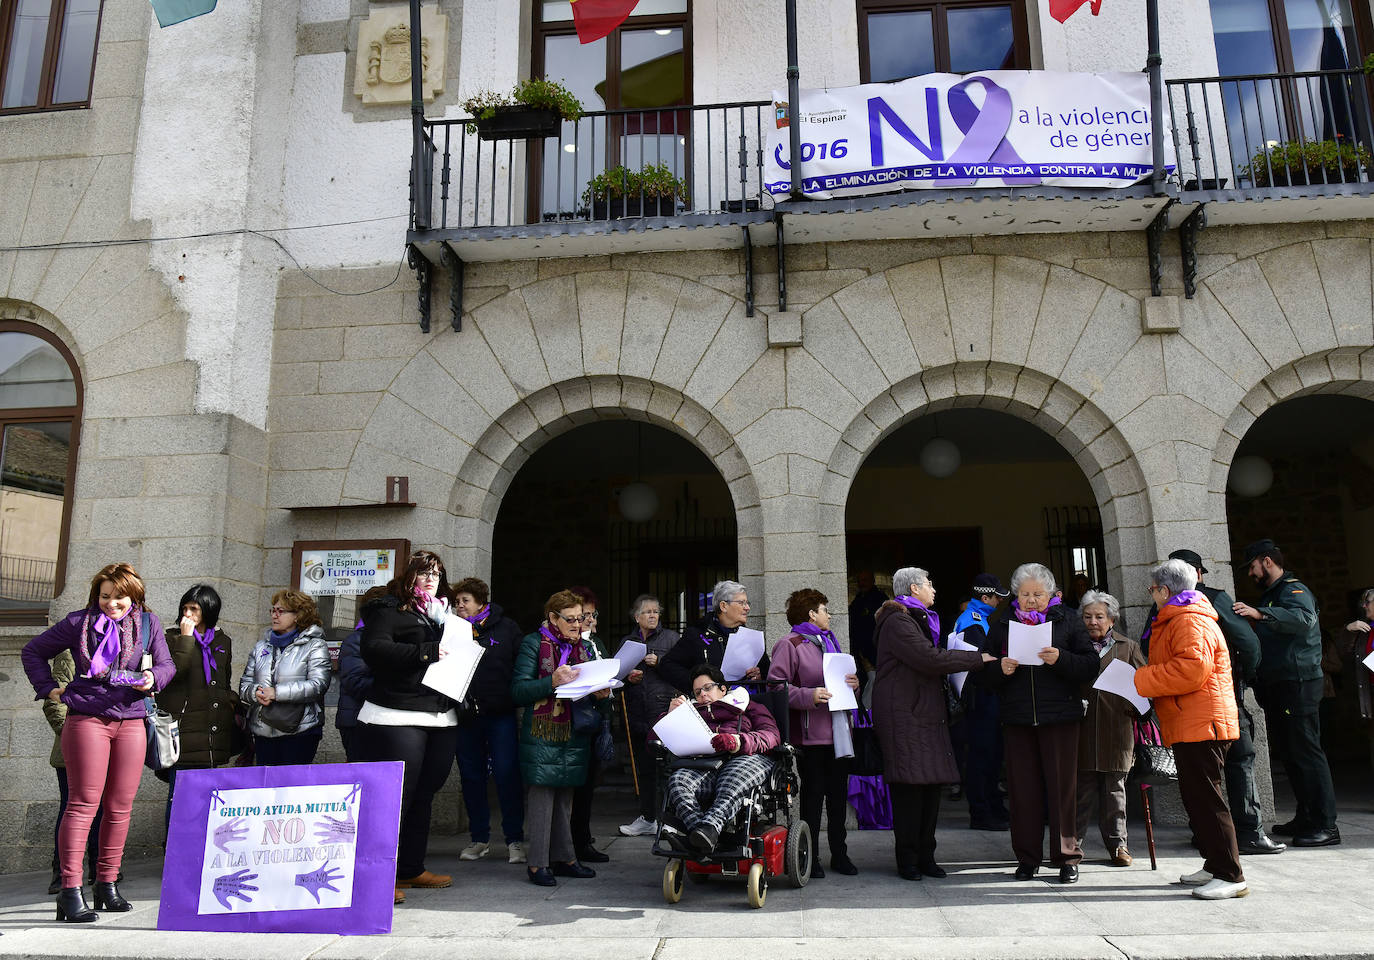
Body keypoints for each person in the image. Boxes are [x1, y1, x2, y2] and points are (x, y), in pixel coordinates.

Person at [22, 562, 174, 922]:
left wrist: (151, 676)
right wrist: (49, 690)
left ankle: (107, 885)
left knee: (120, 807)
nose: (112, 603)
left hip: (132, 719)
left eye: (120, 597)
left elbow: (168, 666)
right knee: (83, 804)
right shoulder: (78, 623)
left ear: (134, 596)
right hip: (87, 718)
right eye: (105, 596)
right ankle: (70, 891)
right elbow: (32, 651)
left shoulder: (149, 625)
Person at [976, 562, 1096, 884]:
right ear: (1016, 595)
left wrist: (1061, 660)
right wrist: (1000, 669)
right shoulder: (1001, 624)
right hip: (1017, 720)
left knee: (1062, 790)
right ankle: (1027, 859)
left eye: (1037, 595)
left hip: (1060, 718)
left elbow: (1089, 666)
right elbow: (982, 672)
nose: (1031, 600)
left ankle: (1067, 857)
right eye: (1025, 594)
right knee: (1022, 791)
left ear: (1050, 594)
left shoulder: (1068, 620)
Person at [1134, 558, 1247, 900]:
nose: (1152, 594)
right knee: (1197, 799)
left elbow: (1190, 671)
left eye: (1153, 589)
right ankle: (1215, 865)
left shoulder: (1188, 620)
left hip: (1203, 724)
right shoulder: (1182, 617)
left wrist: (1140, 679)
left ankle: (1230, 874)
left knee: (1208, 801)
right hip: (1193, 722)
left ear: (1165, 590)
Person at [1159, 549, 1282, 856]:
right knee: (1239, 761)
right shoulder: (1212, 598)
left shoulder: (1162, 607)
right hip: (1222, 696)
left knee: (1199, 779)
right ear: (1197, 574)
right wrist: (1243, 680)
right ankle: (1248, 832)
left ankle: (1207, 837)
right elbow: (1248, 643)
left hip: (1185, 705)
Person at [358, 551, 464, 903]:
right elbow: (374, 649)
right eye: (424, 573)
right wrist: (426, 651)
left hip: (440, 714)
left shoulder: (446, 616)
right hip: (396, 713)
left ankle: (411, 868)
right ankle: (377, 876)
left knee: (425, 794)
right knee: (395, 797)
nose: (431, 578)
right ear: (409, 578)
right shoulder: (388, 611)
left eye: (437, 572)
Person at [873, 568, 990, 880]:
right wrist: (977, 659)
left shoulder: (917, 617)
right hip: (906, 716)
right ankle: (908, 860)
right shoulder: (898, 620)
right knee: (910, 790)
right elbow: (929, 658)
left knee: (930, 787)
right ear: (914, 588)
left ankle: (926, 856)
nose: (934, 589)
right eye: (929, 583)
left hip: (925, 714)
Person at [1232, 539, 1339, 847]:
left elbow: (1304, 620)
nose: (1250, 574)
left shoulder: (1294, 591)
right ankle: (1307, 816)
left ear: (1267, 561)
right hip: (1281, 685)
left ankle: (1326, 824)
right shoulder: (1273, 595)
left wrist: (1261, 615)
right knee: (1292, 754)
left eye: (1252, 566)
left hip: (1298, 683)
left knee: (1307, 752)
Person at [511, 589, 608, 887]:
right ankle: (538, 863)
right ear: (552, 618)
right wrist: (551, 681)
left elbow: (598, 696)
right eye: (570, 619)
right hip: (543, 731)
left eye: (581, 619)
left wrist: (603, 694)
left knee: (566, 796)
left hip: (575, 731)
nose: (578, 625)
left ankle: (565, 858)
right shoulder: (532, 644)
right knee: (542, 797)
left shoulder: (586, 647)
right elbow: (518, 691)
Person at [768, 588, 862, 878]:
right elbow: (776, 686)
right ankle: (811, 855)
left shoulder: (831, 642)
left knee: (837, 796)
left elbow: (840, 680)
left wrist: (853, 683)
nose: (829, 614)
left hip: (839, 732)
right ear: (811, 614)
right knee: (813, 797)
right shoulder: (789, 644)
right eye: (825, 609)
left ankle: (840, 855)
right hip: (810, 735)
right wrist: (810, 695)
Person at [660, 664, 781, 854]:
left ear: (723, 688)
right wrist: (669, 716)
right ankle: (704, 835)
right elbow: (654, 739)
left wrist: (739, 741)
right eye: (697, 692)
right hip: (705, 765)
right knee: (678, 781)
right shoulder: (691, 711)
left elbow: (771, 735)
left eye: (707, 688)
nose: (702, 695)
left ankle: (703, 835)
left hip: (745, 757)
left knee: (732, 777)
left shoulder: (748, 706)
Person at [452, 577, 526, 865]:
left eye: (465, 601)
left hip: (500, 714)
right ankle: (479, 838)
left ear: (481, 601)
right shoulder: (453, 630)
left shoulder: (506, 628)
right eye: (457, 602)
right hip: (466, 715)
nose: (460, 606)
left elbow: (520, 664)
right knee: (471, 776)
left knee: (507, 775)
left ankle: (514, 840)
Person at [161, 584, 241, 831]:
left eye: (194, 609)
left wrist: (230, 700)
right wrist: (185, 639)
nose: (188, 614)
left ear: (208, 610)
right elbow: (172, 673)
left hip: (212, 729)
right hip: (184, 731)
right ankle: (173, 851)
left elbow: (224, 679)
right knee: (179, 797)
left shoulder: (222, 641)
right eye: (184, 608)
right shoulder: (170, 638)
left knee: (207, 799)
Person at [1076, 590, 1146, 867]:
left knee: (1115, 790)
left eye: (1099, 616)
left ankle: (1118, 846)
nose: (1093, 621)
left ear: (1112, 619)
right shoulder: (1074, 646)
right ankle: (1072, 846)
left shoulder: (1127, 647)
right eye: (1087, 616)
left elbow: (1145, 683)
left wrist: (1139, 703)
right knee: (1081, 792)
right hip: (1082, 727)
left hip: (1117, 726)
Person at [238, 589, 330, 766]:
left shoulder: (315, 645)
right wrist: (255, 692)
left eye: (281, 611)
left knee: (292, 788)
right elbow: (244, 685)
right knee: (268, 788)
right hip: (263, 730)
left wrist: (276, 693)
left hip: (300, 730)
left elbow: (318, 685)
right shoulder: (261, 647)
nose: (274, 615)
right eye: (273, 610)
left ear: (298, 615)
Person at [951, 573, 1010, 831]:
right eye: (997, 597)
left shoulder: (979, 620)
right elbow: (979, 663)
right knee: (982, 755)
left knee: (992, 754)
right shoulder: (972, 622)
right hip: (981, 697)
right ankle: (981, 812)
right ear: (985, 597)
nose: (999, 602)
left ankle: (994, 807)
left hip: (987, 697)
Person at [619, 593, 680, 838]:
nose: (653, 615)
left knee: (667, 769)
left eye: (656, 611)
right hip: (637, 712)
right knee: (644, 770)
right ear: (637, 617)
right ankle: (647, 818)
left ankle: (669, 820)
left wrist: (662, 661)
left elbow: (685, 672)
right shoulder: (628, 642)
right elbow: (615, 674)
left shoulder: (672, 639)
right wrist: (628, 677)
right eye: (648, 612)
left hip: (664, 712)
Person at [41, 649, 102, 896]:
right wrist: (74, 737)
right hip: (74, 750)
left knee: (103, 809)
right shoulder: (70, 649)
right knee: (72, 808)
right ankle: (62, 874)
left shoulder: (121, 644)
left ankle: (99, 870)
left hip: (106, 746)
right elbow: (54, 702)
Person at [568, 585, 614, 864]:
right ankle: (572, 842)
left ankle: (582, 839)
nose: (588, 619)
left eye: (591, 613)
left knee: (587, 787)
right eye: (583, 614)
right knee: (573, 788)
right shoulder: (570, 645)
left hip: (597, 719)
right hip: (575, 722)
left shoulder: (595, 644)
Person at [660, 580, 768, 695]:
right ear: (723, 606)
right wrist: (699, 685)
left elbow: (768, 673)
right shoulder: (697, 635)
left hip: (746, 706)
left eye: (747, 603)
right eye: (741, 603)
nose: (747, 608)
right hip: (710, 708)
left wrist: (759, 675)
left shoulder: (750, 638)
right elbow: (667, 665)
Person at [335, 585, 388, 763]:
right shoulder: (356, 640)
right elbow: (355, 682)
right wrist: (395, 685)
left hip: (379, 720)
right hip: (357, 721)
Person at [1344, 587, 1374, 771]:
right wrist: (1349, 630)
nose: (1364, 606)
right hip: (1370, 692)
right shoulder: (1365, 629)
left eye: (1368, 602)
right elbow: (1343, 654)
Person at [848, 571, 888, 670]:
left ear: (872, 581)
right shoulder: (858, 598)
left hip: (875, 646)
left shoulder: (880, 598)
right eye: (859, 581)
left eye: (865, 580)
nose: (862, 583)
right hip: (859, 646)